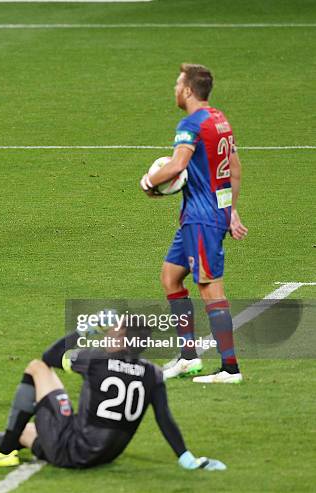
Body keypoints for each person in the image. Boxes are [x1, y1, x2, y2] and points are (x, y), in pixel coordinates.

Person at [0, 318, 226, 471]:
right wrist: (187, 458)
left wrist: (86, 328)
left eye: (114, 331)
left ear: (121, 340)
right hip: (103, 455)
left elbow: (49, 355)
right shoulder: (153, 373)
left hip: (73, 447)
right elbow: (165, 420)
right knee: (26, 432)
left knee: (37, 368)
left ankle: (1, 453)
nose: (109, 333)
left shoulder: (97, 359)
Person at [140, 63, 248, 384]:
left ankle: (230, 368)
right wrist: (231, 211)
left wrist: (148, 181)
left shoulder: (191, 124)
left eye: (177, 84)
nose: (174, 89)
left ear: (188, 90)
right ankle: (188, 359)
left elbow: (177, 164)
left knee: (210, 289)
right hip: (204, 215)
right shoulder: (220, 120)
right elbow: (235, 169)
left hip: (202, 219)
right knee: (170, 277)